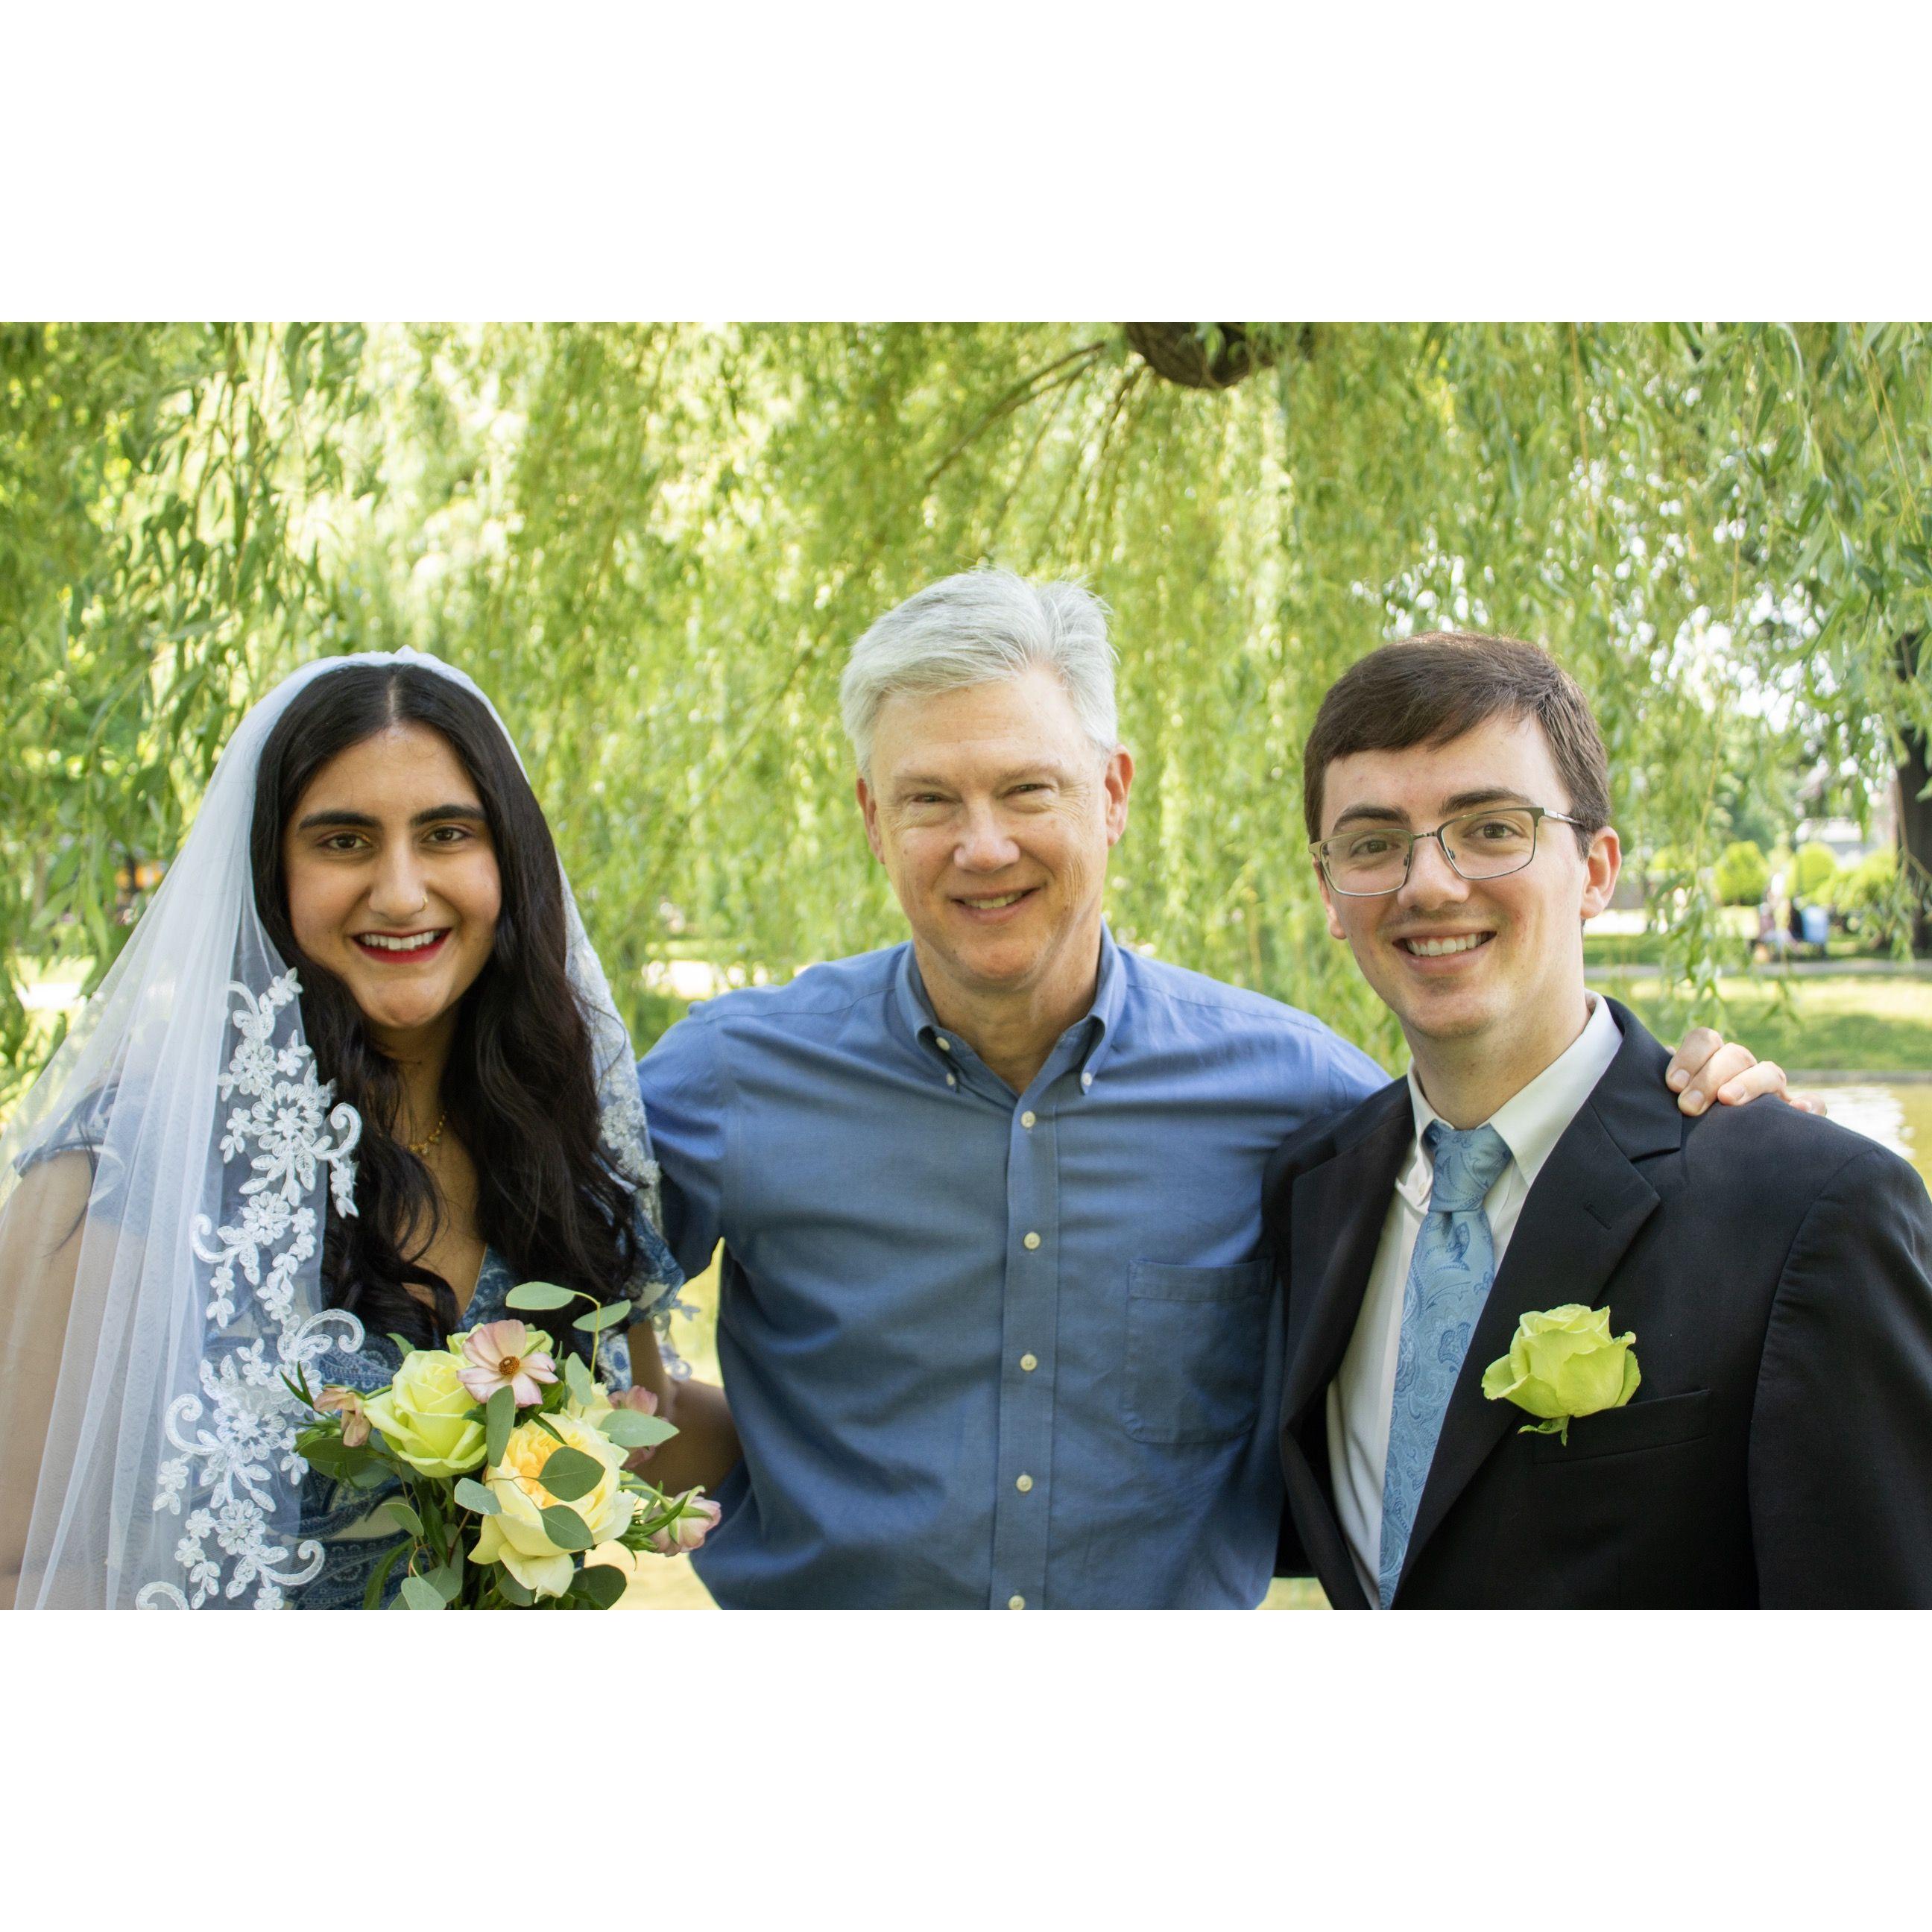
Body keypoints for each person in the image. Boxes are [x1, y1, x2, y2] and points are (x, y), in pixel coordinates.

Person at [640, 571, 1786, 1609]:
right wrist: (745, 1441)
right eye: (930, 800)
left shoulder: (1302, 1101)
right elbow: (514, 1284)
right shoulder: (733, 1076)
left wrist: (1723, 1151)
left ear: (1114, 794)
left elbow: (1532, 1212)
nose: (982, 847)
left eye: (1028, 789)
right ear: (872, 820)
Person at [0, 651, 731, 1609]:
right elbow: (21, 1565)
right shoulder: (114, 1182)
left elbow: (652, 1414)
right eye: (342, 841)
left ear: (506, 861)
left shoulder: (568, 1145)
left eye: (445, 834)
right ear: (272, 873)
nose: (398, 891)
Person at [1263, 631, 1932, 1609]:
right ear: (1330, 889)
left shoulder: (1809, 1212)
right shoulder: (1309, 1192)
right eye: (1373, 843)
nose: (1430, 884)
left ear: (1597, 869)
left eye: (1491, 828)